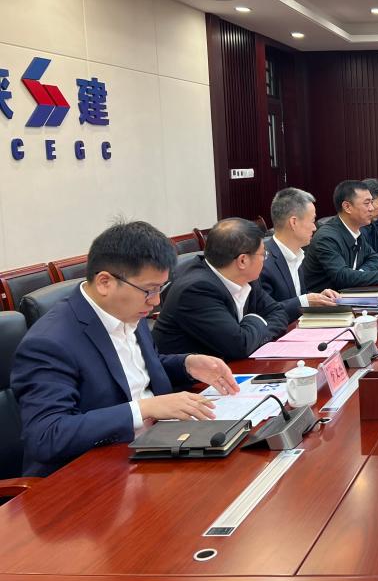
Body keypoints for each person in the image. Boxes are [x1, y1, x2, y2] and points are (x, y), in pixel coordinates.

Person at [10, 221, 238, 477]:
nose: (156, 301)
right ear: (105, 282)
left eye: (160, 289)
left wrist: (186, 365)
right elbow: (46, 435)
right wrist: (143, 409)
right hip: (90, 475)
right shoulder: (50, 342)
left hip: (155, 449)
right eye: (149, 290)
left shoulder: (127, 309)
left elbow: (133, 371)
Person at [153, 218, 289, 361]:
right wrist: (257, 320)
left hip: (229, 366)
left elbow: (278, 313)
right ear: (243, 261)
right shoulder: (196, 290)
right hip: (190, 375)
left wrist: (252, 331)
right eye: (263, 254)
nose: (264, 259)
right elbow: (239, 346)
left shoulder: (246, 278)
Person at [302, 180, 378, 292]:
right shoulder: (327, 237)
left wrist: (360, 273)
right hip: (326, 299)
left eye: (371, 202)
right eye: (367, 203)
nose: (371, 208)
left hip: (350, 293)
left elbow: (374, 258)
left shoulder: (356, 231)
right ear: (347, 207)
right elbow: (342, 276)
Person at [259, 187, 338, 322]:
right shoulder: (262, 262)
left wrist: (318, 298)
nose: (315, 227)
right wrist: (305, 301)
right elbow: (265, 313)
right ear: (294, 222)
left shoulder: (297, 253)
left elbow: (295, 297)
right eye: (312, 221)